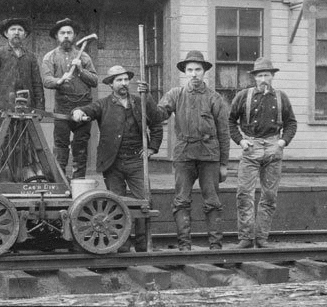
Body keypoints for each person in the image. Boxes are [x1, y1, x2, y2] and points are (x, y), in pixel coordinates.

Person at [72, 65, 163, 252]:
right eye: (119, 80)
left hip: (137, 161)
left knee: (144, 202)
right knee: (117, 204)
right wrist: (78, 112)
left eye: (125, 79)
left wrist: (152, 148)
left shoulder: (141, 101)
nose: (123, 83)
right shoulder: (103, 104)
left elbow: (156, 124)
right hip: (112, 163)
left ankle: (142, 246)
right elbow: (87, 110)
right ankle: (122, 246)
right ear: (111, 84)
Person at [145, 50, 230, 251]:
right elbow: (158, 115)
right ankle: (184, 246)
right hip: (184, 155)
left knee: (212, 201)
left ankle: (215, 247)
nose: (193, 74)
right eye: (190, 70)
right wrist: (147, 96)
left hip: (209, 156)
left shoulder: (214, 98)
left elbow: (224, 133)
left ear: (204, 72)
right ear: (185, 72)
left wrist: (224, 164)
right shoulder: (176, 94)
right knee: (181, 200)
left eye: (197, 70)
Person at [228, 57, 297, 249]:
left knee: (269, 196)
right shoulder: (243, 96)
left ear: (273, 76)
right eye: (260, 75)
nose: (263, 79)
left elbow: (291, 123)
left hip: (274, 148)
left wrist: (282, 142)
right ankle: (246, 238)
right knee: (244, 194)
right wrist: (241, 141)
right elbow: (230, 121)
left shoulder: (281, 97)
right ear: (254, 78)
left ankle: (262, 238)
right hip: (251, 147)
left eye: (267, 75)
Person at [42, 18, 97, 178]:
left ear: (74, 36)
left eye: (69, 33)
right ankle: (60, 181)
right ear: (57, 36)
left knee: (80, 147)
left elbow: (94, 81)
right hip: (62, 107)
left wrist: (80, 70)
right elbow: (46, 80)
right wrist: (59, 80)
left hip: (84, 105)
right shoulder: (50, 57)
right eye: (62, 33)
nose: (66, 36)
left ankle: (78, 182)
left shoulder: (84, 57)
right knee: (61, 146)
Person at [0, 18, 45, 111]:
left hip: (27, 108)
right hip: (2, 107)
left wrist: (40, 108)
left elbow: (37, 84)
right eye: (13, 29)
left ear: (25, 35)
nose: (16, 32)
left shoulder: (31, 57)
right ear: (6, 33)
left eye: (20, 30)